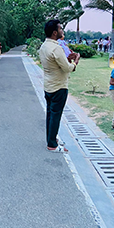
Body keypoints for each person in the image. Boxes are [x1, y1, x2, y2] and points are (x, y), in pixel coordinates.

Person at [39, 20, 79, 152]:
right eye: (61, 29)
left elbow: (56, 64)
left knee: (50, 114)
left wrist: (67, 59)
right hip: (59, 87)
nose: (62, 31)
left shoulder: (44, 46)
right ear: (55, 32)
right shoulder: (56, 48)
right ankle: (52, 145)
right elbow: (67, 68)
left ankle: (52, 138)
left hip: (48, 86)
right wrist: (76, 61)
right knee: (56, 115)